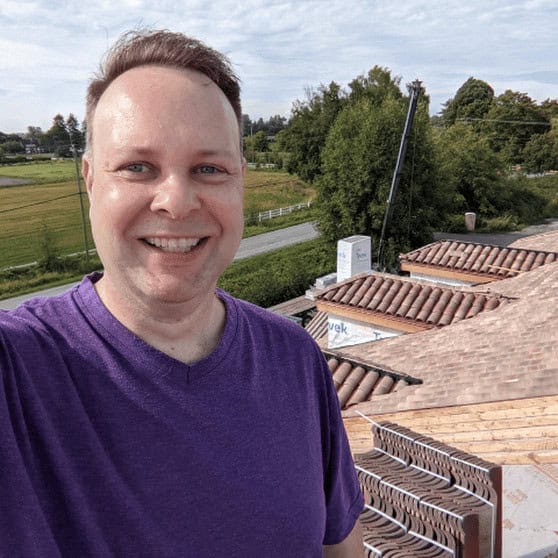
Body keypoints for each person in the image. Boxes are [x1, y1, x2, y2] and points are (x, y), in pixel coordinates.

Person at [0, 30, 363, 557]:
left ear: (240, 181)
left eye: (208, 169)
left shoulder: (295, 359)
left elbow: (342, 549)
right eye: (137, 167)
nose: (176, 201)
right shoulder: (18, 367)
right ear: (90, 182)